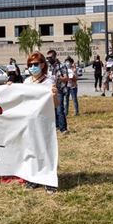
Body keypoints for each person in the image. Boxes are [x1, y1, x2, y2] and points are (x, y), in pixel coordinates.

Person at [23, 52, 59, 194]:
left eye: (36, 64)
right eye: (30, 65)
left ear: (43, 65)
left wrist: (55, 95)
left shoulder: (49, 82)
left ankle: (49, 180)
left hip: (44, 123)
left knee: (46, 149)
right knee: (32, 149)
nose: (33, 67)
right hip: (29, 122)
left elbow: (56, 105)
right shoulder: (26, 82)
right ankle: (34, 178)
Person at [46, 50, 69, 134]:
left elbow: (66, 78)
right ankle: (56, 126)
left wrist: (57, 78)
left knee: (59, 109)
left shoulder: (61, 66)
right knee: (53, 110)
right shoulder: (48, 67)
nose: (49, 59)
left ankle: (63, 129)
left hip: (59, 90)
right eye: (47, 58)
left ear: (55, 57)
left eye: (50, 57)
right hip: (50, 90)